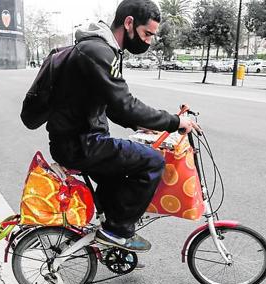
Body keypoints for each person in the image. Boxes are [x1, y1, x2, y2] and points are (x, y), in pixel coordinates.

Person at [46, 0, 200, 252]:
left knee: (119, 173)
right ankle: (117, 231)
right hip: (79, 144)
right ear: (129, 23)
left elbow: (113, 106)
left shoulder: (100, 49)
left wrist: (140, 125)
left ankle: (110, 228)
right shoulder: (98, 51)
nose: (149, 41)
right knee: (152, 161)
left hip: (79, 140)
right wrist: (174, 122)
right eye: (146, 33)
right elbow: (125, 102)